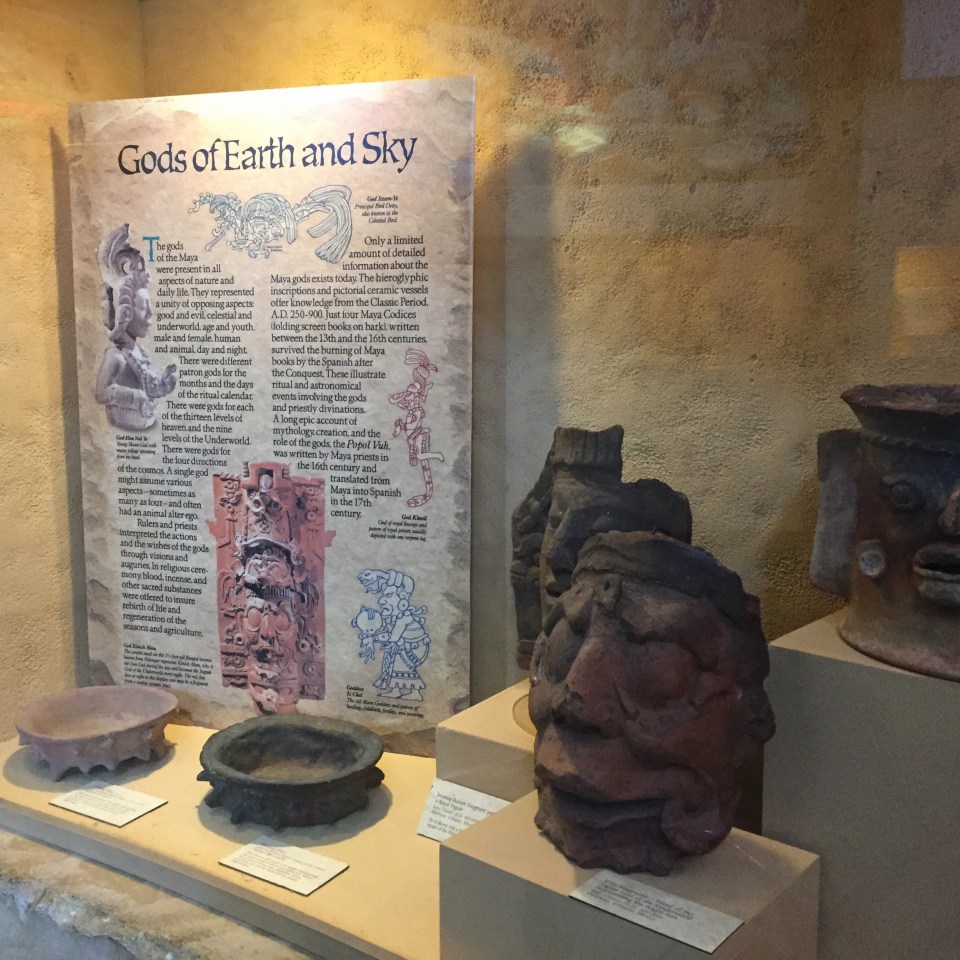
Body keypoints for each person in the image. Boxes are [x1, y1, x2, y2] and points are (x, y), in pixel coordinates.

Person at [95, 225, 176, 430]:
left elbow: (147, 382)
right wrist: (135, 398)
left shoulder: (136, 351)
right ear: (127, 314)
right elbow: (101, 393)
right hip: (124, 428)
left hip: (145, 427)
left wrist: (162, 384)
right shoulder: (116, 356)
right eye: (145, 309)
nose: (150, 314)